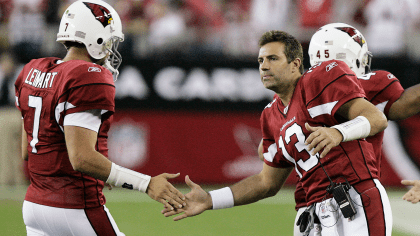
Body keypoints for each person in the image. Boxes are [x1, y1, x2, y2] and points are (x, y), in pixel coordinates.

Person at [163, 29, 391, 235]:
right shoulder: (270, 115)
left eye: (273, 58)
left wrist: (338, 133)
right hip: (315, 213)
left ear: (295, 64)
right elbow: (266, 183)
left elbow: (376, 118)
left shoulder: (321, 77)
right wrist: (211, 199)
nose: (264, 66)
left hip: (357, 198)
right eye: (261, 60)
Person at [14, 1, 185, 235]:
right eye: (109, 40)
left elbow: (28, 152)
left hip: (34, 207)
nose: (110, 49)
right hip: (74, 207)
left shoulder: (33, 70)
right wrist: (146, 183)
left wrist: (103, 171)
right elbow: (81, 158)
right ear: (96, 38)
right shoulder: (88, 76)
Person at [256, 22, 420, 235]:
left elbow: (265, 150)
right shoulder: (365, 82)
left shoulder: (296, 93)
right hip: (351, 194)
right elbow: (405, 104)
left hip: (314, 204)